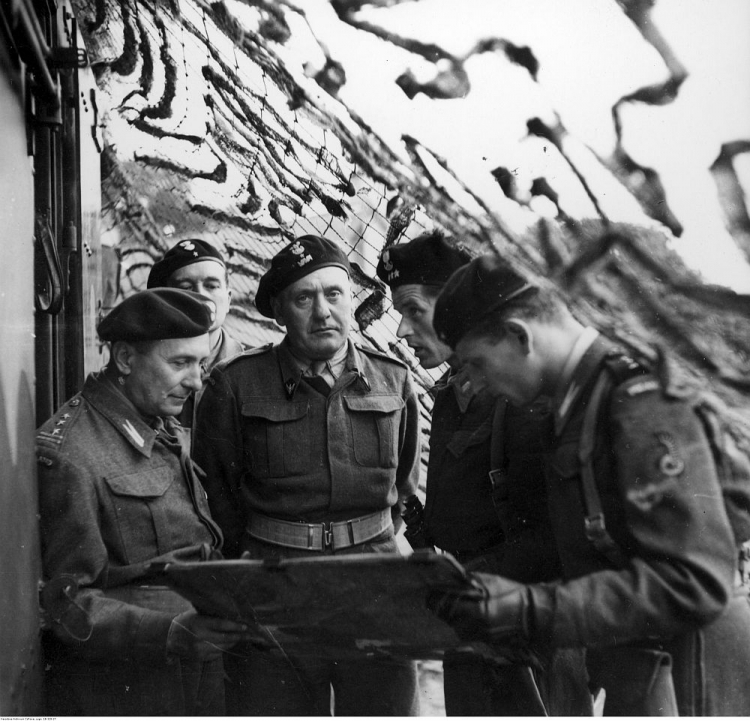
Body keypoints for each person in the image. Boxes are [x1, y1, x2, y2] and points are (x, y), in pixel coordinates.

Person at [428, 252, 750, 716]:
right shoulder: (578, 400)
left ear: (520, 336)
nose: (475, 381)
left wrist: (527, 608)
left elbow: (694, 582)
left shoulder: (639, 400)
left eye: (477, 362)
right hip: (640, 662)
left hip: (692, 673)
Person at [193, 234, 422, 716]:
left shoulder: (394, 379)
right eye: (304, 297)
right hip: (276, 590)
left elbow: (401, 489)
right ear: (279, 311)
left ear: (351, 300)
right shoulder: (234, 386)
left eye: (334, 294)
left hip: (374, 586)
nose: (323, 312)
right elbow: (217, 495)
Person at [376, 232, 591, 717]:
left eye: (414, 311)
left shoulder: (520, 394)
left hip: (527, 627)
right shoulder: (453, 391)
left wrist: (465, 580)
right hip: (473, 621)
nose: (402, 332)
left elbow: (555, 537)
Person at [37, 288, 252, 716]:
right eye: (180, 363)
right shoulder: (72, 454)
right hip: (132, 680)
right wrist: (170, 632)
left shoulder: (156, 423)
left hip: (198, 658)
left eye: (201, 364)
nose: (196, 381)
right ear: (125, 359)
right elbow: (65, 603)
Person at [148, 238, 243, 427]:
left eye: (211, 286)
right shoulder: (148, 367)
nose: (201, 296)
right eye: (186, 287)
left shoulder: (249, 367)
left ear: (229, 299)